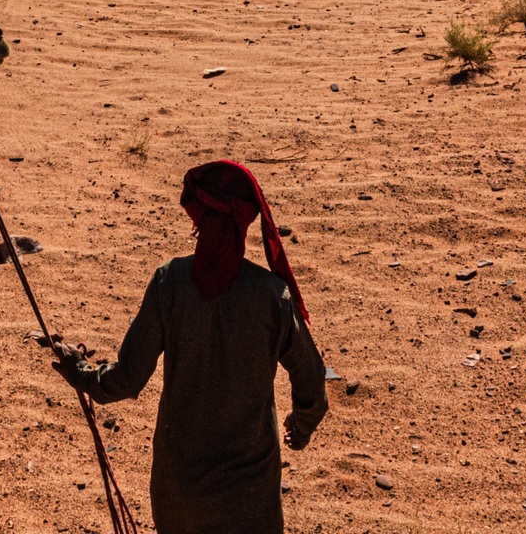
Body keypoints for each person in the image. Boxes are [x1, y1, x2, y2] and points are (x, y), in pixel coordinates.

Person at [54, 160, 328, 534]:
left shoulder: (170, 283)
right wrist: (302, 425)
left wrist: (82, 374)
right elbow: (311, 380)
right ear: (244, 224)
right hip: (249, 502)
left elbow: (128, 380)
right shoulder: (271, 296)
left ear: (197, 217)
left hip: (179, 494)